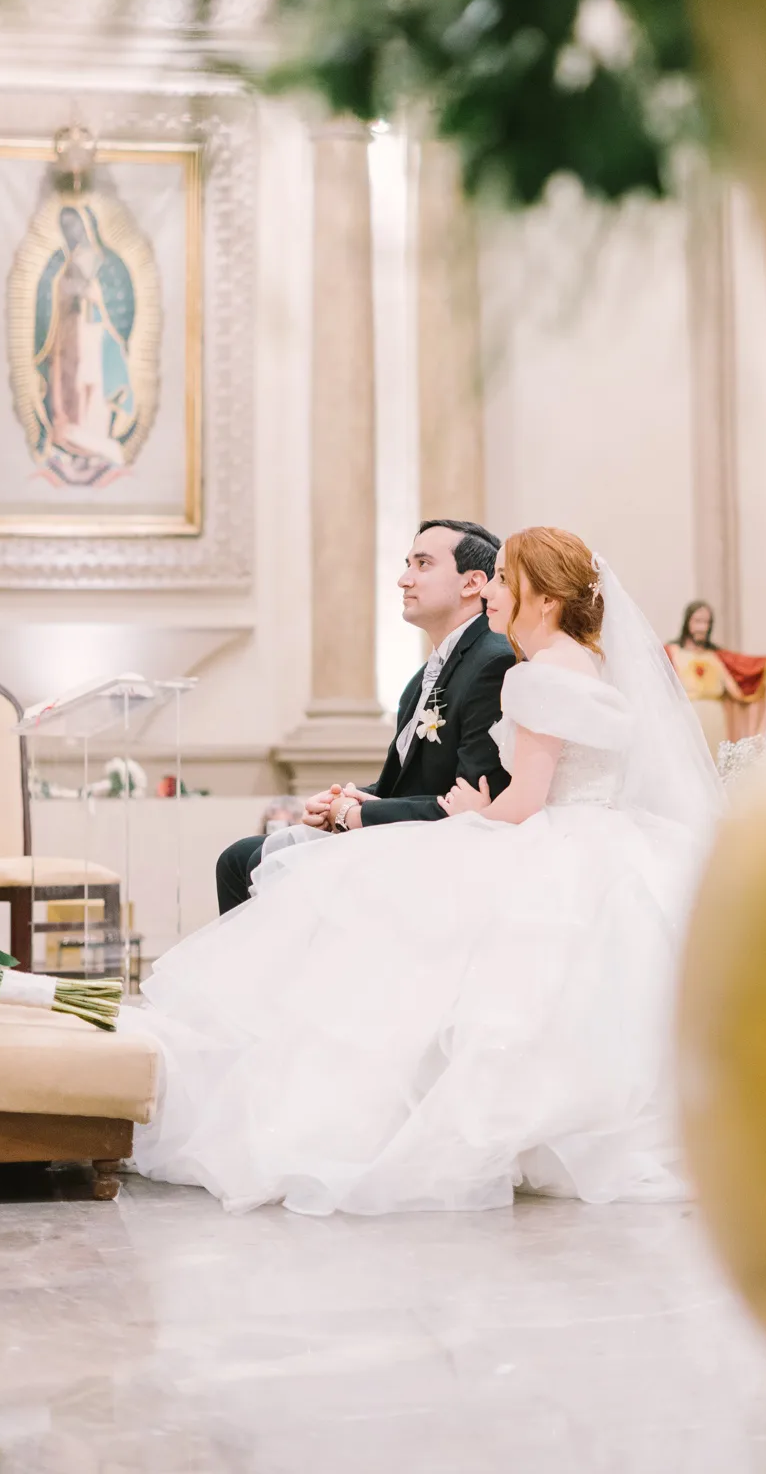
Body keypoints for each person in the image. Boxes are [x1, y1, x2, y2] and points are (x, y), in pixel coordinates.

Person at [128, 526, 723, 1215]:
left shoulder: (536, 675)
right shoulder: (589, 665)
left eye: (505, 579)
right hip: (604, 839)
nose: (494, 590)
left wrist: (475, 812)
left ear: (547, 598)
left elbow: (525, 803)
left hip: (548, 837)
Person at [213, 518, 515, 912]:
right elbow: (402, 785)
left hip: (445, 847)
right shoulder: (424, 677)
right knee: (239, 858)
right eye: (407, 564)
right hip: (408, 831)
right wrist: (343, 800)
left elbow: (473, 795)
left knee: (257, 863)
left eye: (423, 564)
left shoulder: (492, 662)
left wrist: (355, 813)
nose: (404, 580)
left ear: (472, 583)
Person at [667, 600, 766, 755]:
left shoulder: (719, 657)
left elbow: (755, 666)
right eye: (697, 621)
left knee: (715, 762)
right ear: (687, 622)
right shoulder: (671, 653)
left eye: (706, 622)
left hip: (715, 719)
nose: (702, 628)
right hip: (685, 717)